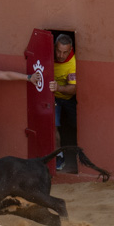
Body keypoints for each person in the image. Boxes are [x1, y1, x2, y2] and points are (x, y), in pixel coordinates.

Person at [48, 34, 77, 170]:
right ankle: (59, 156)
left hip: (69, 99)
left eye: (65, 52)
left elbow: (73, 89)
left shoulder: (72, 63)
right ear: (54, 47)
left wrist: (58, 88)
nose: (61, 55)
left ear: (71, 49)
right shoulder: (47, 55)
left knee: (76, 125)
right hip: (53, 98)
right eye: (58, 51)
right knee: (53, 126)